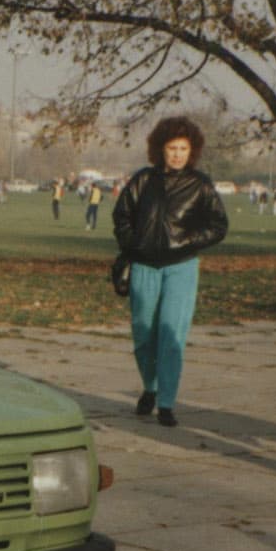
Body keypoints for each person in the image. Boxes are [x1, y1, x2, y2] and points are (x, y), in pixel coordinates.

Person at [111, 116, 228, 428]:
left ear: (192, 151)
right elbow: (122, 215)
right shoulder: (142, 181)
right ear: (160, 149)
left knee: (171, 334)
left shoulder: (200, 185)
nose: (177, 154)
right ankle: (150, 387)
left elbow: (218, 226)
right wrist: (133, 244)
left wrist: (187, 241)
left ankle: (166, 402)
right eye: (172, 148)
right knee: (143, 334)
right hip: (144, 267)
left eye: (183, 149)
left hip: (181, 268)